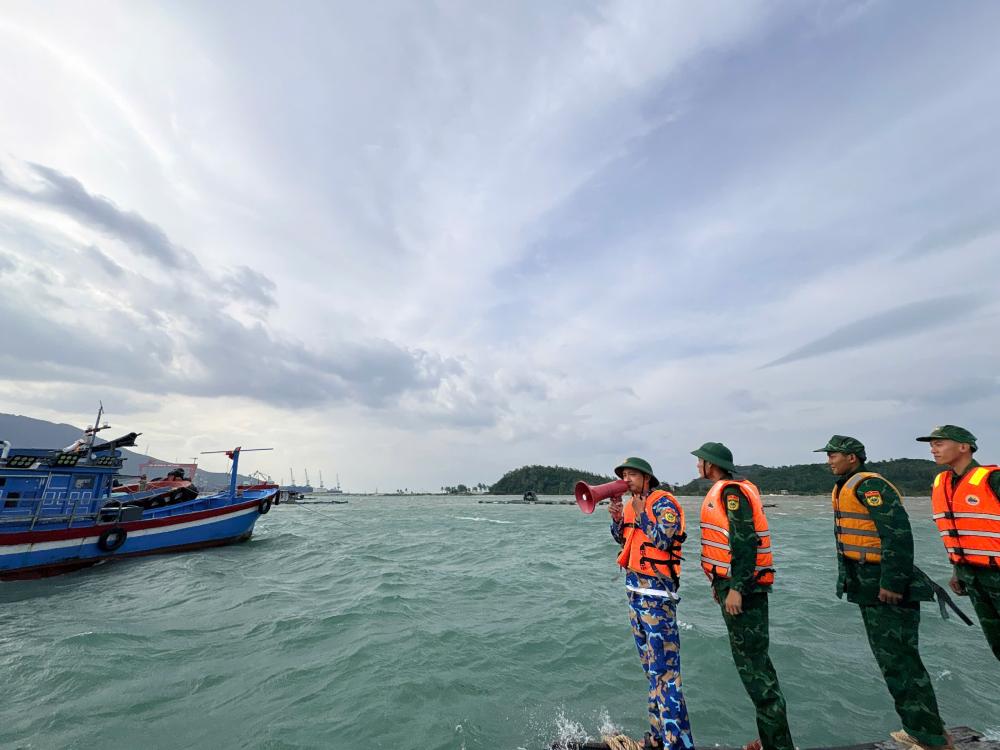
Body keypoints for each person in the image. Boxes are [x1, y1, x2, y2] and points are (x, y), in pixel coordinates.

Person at [816, 435, 950, 750]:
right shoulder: (845, 487)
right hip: (868, 586)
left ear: (852, 457)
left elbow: (898, 536)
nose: (829, 460)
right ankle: (920, 728)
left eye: (834, 455)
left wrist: (891, 582)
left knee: (902, 662)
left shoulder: (870, 487)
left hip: (886, 587)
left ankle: (932, 739)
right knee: (892, 662)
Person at [692, 442, 792, 750]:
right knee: (754, 668)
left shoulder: (731, 493)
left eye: (701, 461)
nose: (698, 466)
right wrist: (718, 584)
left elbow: (745, 541)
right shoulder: (727, 490)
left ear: (711, 464)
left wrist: (736, 588)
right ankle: (769, 738)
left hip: (743, 590)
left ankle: (777, 745)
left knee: (756, 671)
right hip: (731, 585)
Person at [609, 457, 694, 750]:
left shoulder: (663, 503)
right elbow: (626, 541)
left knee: (666, 675)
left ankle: (679, 744)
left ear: (647, 478)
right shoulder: (633, 505)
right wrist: (618, 519)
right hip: (634, 593)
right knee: (651, 672)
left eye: (632, 474)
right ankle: (658, 737)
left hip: (657, 596)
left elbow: (662, 541)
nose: (627, 479)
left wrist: (644, 513)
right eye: (624, 475)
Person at [917, 425, 1000, 660]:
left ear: (964, 447)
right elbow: (959, 533)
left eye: (939, 443)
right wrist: (958, 571)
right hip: (973, 577)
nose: (933, 450)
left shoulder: (993, 479)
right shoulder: (942, 483)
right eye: (931, 445)